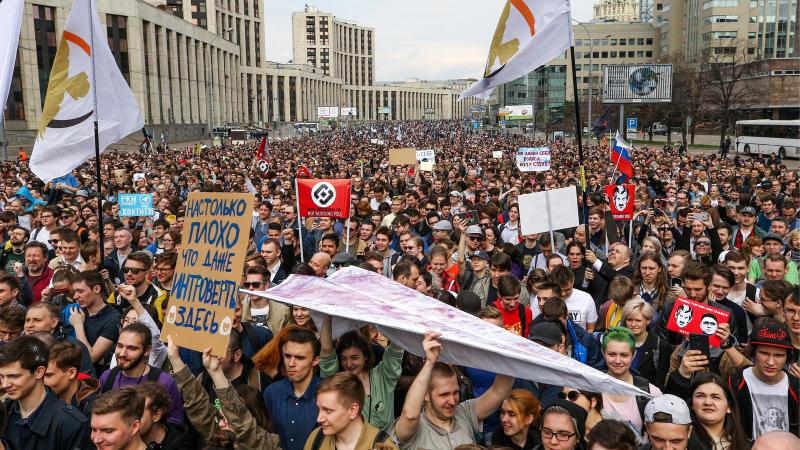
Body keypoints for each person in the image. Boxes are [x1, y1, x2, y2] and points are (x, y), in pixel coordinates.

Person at [393, 332, 513, 449]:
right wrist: (429, 363)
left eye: (455, 393)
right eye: (444, 395)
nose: (452, 401)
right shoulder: (415, 429)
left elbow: (500, 391)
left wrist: (509, 350)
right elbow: (410, 416)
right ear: (426, 395)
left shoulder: (464, 413)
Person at [0, 335, 92, 450]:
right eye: (1, 376)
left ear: (39, 372)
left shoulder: (72, 425)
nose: (5, 384)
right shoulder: (4, 412)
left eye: (14, 376)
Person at [319, 316, 403, 432]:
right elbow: (326, 350)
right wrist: (327, 315)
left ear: (366, 356)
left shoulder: (383, 376)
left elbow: (397, 348)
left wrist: (399, 313)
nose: (349, 364)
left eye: (355, 357)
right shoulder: (337, 382)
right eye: (344, 358)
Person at [98, 322, 185, 424]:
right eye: (120, 346)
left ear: (147, 350)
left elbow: (175, 422)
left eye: (131, 348)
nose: (122, 353)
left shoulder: (164, 381)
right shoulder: (107, 377)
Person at [728, 317, 800, 439]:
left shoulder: (795, 386)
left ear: (787, 357)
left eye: (779, 355)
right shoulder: (737, 382)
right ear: (754, 352)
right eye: (764, 353)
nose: (770, 362)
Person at [303, 372, 398, 450]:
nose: (319, 419)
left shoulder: (382, 445)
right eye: (319, 409)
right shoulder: (317, 438)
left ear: (353, 410)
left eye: (328, 411)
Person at [263, 327, 322, 450]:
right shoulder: (272, 393)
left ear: (315, 360)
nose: (291, 363)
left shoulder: (328, 393)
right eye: (287, 356)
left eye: (300, 358)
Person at [600, 327, 663, 439]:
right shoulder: (590, 389)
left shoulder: (650, 392)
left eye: (624, 355)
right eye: (612, 354)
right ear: (603, 353)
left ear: (633, 355)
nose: (617, 361)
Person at [687, 372, 748, 450]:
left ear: (728, 407)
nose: (708, 402)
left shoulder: (743, 444)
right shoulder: (683, 440)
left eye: (715, 397)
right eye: (700, 396)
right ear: (692, 404)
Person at [134, 382, 198, 450]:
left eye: (138, 413)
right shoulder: (130, 439)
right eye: (129, 413)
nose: (130, 419)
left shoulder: (180, 445)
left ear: (157, 415)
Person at [44, 342, 100, 417]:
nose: (42, 381)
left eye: (48, 375)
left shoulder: (93, 408)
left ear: (71, 373)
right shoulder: (48, 397)